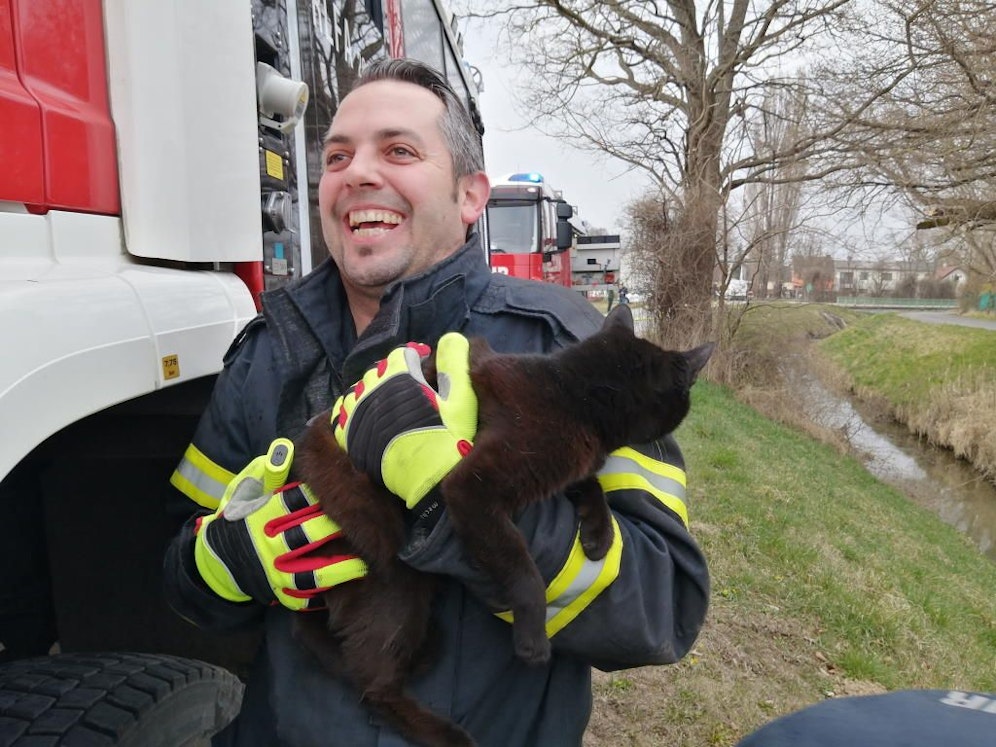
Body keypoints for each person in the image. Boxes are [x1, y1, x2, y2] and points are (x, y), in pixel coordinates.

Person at [163, 58, 709, 747]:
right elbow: (179, 579)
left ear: (470, 195)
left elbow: (662, 610)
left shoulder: (573, 346)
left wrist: (458, 508)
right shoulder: (265, 353)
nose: (358, 173)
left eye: (398, 150)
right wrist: (230, 558)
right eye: (337, 156)